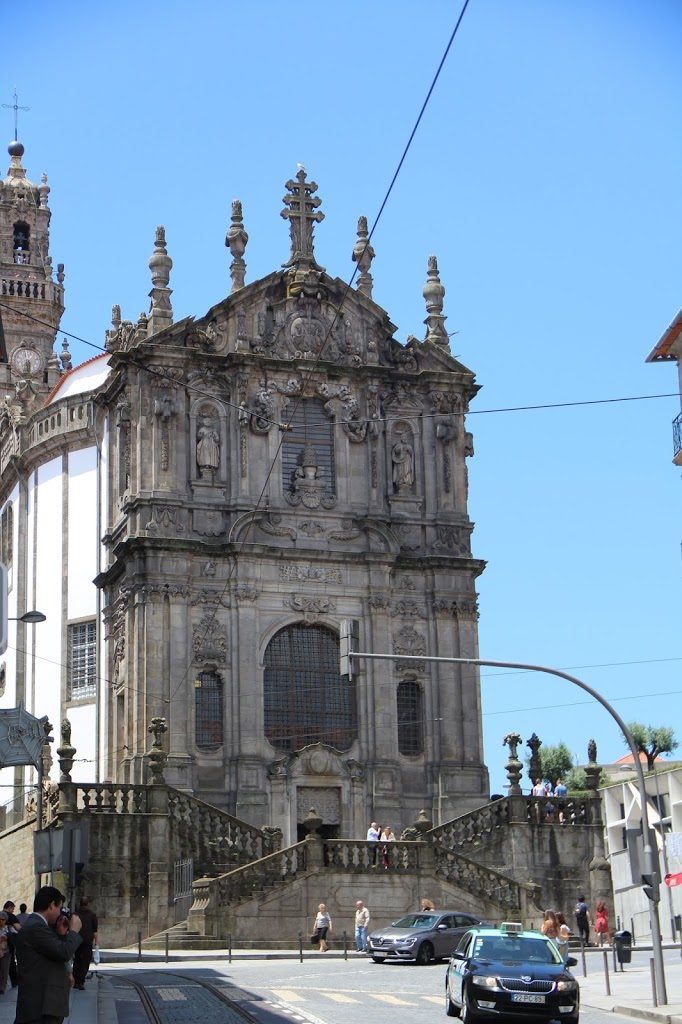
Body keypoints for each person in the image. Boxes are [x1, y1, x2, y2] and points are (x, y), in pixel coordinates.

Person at [15, 884, 82, 1024]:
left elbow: (52, 952)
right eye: (59, 908)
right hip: (41, 1008)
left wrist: (61, 935)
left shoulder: (38, 926)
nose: (60, 912)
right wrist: (74, 931)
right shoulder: (36, 927)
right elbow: (64, 952)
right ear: (51, 905)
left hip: (42, 1005)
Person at [72, 896, 98, 989]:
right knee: (85, 961)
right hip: (87, 941)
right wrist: (96, 942)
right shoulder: (92, 915)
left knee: (77, 960)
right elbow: (95, 930)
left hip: (76, 940)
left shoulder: (75, 914)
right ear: (88, 904)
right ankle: (81, 981)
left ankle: (75, 981)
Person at [4, 900, 21, 988]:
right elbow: (18, 928)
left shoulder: (0, 914)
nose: (13, 911)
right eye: (13, 909)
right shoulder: (11, 916)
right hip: (7, 944)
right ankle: (14, 982)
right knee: (11, 963)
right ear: (10, 907)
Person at [0, 910, 10, 994]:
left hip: (6, 952)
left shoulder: (8, 928)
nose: (2, 921)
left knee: (5, 971)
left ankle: (2, 988)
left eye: (3, 919)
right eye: (1, 919)